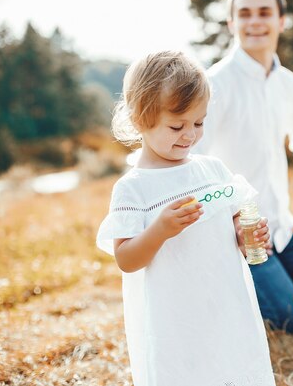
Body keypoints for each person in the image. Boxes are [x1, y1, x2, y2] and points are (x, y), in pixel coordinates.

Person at [96, 51, 275, 385]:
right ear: (139, 119)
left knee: (232, 363)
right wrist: (160, 230)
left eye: (199, 122)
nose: (190, 135)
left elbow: (234, 219)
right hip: (174, 317)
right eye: (177, 125)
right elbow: (126, 259)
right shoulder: (133, 189)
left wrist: (246, 233)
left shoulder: (212, 170)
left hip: (224, 301)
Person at [193, 0, 293, 333]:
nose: (255, 22)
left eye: (264, 13)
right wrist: (233, 222)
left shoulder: (288, 82)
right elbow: (194, 163)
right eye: (244, 14)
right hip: (241, 234)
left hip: (284, 226)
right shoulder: (214, 85)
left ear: (281, 21)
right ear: (231, 23)